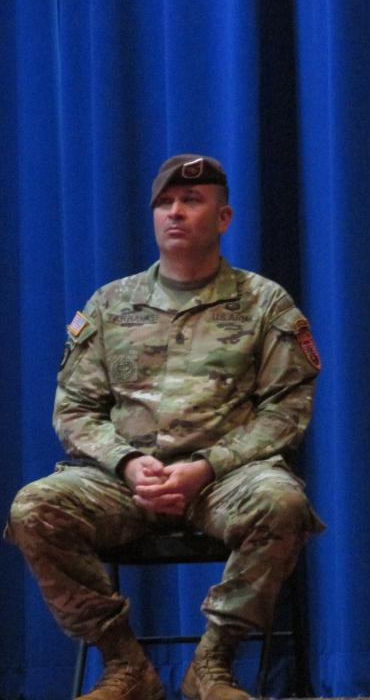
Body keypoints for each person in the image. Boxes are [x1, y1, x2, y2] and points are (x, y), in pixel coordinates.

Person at [5, 154, 326, 700]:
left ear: (223, 218)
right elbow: (74, 411)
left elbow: (286, 410)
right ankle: (126, 667)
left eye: (191, 201)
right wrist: (128, 464)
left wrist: (207, 467)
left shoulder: (264, 303)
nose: (175, 212)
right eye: (165, 203)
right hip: (123, 481)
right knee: (34, 509)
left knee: (282, 504)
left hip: (225, 479)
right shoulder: (110, 305)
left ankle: (212, 664)